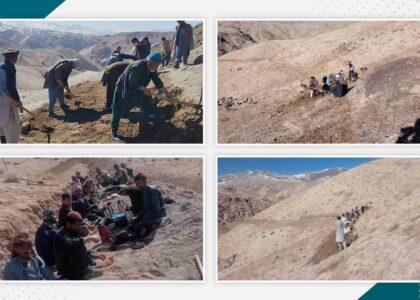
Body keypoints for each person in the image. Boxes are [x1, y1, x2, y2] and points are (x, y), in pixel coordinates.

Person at [110, 52, 171, 141]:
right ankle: (113, 131)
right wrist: (144, 89)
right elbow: (132, 81)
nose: (157, 67)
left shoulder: (152, 68)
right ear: (150, 62)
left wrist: (166, 93)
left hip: (138, 87)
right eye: (156, 65)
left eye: (158, 65)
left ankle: (150, 115)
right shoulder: (137, 66)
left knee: (147, 99)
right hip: (123, 87)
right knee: (117, 108)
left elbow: (157, 80)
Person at [53, 211, 99, 280]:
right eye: (77, 225)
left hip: (81, 269)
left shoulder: (73, 230)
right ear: (68, 224)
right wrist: (89, 238)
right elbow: (71, 243)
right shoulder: (60, 236)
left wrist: (92, 255)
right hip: (71, 275)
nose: (78, 227)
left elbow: (80, 247)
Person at [119, 173, 166, 237]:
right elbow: (145, 207)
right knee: (133, 223)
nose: (137, 185)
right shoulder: (144, 191)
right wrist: (138, 217)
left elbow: (157, 209)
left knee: (138, 227)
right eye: (136, 184)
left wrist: (145, 218)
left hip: (157, 215)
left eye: (139, 183)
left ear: (145, 181)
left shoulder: (152, 191)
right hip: (150, 213)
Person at [0, 49, 23, 144]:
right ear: (14, 58)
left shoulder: (1, 65)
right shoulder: (10, 67)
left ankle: (3, 141)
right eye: (16, 58)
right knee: (11, 125)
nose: (16, 60)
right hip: (6, 99)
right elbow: (10, 87)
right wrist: (18, 101)